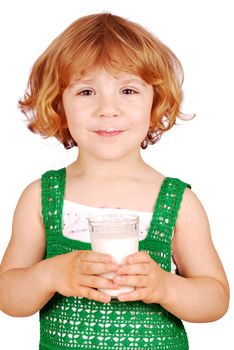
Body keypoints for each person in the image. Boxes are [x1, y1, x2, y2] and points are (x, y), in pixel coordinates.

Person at [0, 12, 229, 350]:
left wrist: (166, 287)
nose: (108, 108)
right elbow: (9, 297)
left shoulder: (176, 202)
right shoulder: (41, 196)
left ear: (156, 103)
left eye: (127, 89)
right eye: (87, 91)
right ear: (58, 105)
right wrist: (51, 274)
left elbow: (216, 299)